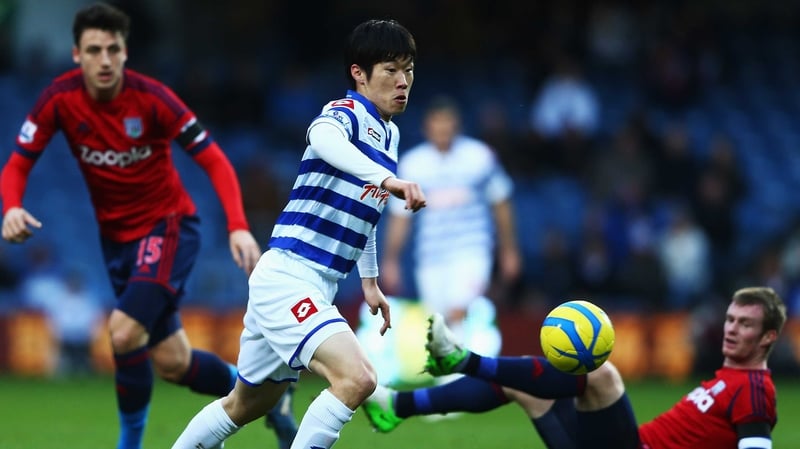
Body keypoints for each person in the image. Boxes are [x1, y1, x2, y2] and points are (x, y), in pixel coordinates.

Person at [0, 3, 296, 449]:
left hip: (168, 228)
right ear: (77, 54)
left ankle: (130, 444)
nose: (104, 59)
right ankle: (269, 396)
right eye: (94, 50)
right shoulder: (59, 100)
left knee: (122, 331)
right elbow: (17, 165)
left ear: (125, 52)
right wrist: (10, 207)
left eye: (113, 49)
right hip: (116, 242)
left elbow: (213, 158)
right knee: (174, 363)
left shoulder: (152, 98)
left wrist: (237, 224)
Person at [170, 18, 425, 449]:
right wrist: (387, 179)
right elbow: (321, 138)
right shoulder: (343, 114)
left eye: (409, 69)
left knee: (245, 404)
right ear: (358, 74)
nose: (403, 82)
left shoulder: (390, 134)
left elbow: (365, 212)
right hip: (290, 276)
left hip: (311, 284)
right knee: (357, 377)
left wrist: (369, 280)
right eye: (390, 70)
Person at [363, 286, 784, 449]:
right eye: (730, 319)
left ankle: (462, 361)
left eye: (745, 324)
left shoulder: (752, 388)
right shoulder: (729, 379)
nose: (731, 329)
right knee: (527, 386)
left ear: (768, 337)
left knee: (600, 374)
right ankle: (398, 406)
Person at [380, 95, 520, 359]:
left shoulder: (479, 157)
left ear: (457, 126)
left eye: (447, 125)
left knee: (460, 309)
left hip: (471, 250)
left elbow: (501, 202)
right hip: (431, 256)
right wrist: (391, 260)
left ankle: (460, 378)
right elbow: (401, 216)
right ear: (427, 127)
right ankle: (452, 377)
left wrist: (509, 250)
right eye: (437, 125)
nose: (442, 131)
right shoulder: (413, 164)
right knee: (440, 319)